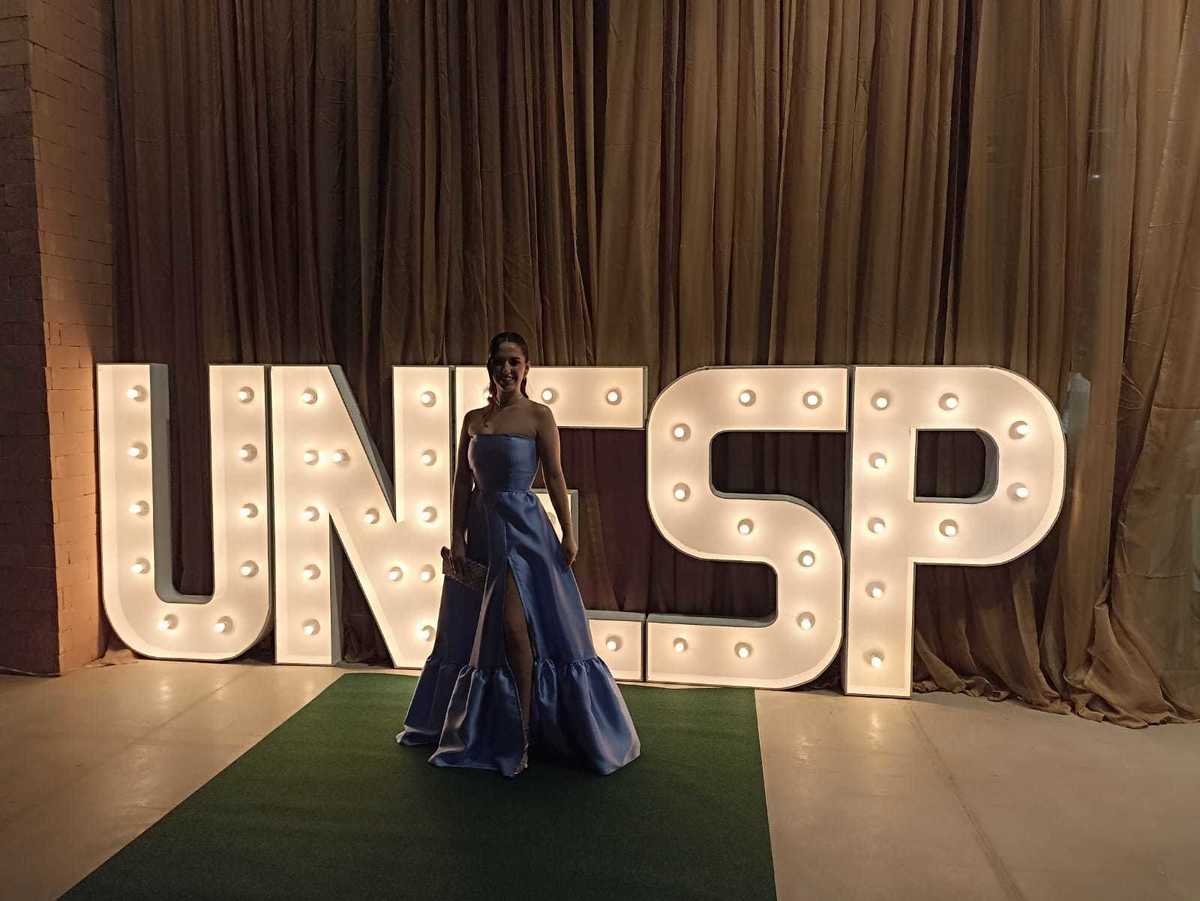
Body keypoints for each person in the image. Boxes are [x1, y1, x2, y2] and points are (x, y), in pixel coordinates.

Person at [396, 331, 641, 777]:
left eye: (514, 362)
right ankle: (480, 725)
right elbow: (461, 482)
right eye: (500, 362)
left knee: (514, 630)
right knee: (474, 633)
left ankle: (522, 734)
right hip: (480, 531)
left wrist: (569, 533)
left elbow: (555, 475)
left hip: (522, 533)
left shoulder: (538, 416)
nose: (507, 369)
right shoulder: (472, 420)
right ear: (489, 366)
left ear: (527, 368)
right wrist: (456, 536)